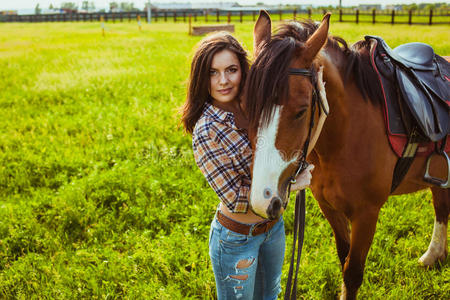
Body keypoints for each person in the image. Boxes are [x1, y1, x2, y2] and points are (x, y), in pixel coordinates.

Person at [181, 32, 314, 299]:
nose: (223, 81)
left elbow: (281, 153)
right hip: (236, 239)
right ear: (201, 78)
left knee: (270, 296)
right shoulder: (207, 129)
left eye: (231, 69)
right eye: (212, 72)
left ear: (244, 69)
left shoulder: (259, 109)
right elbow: (233, 198)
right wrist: (290, 186)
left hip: (272, 229)